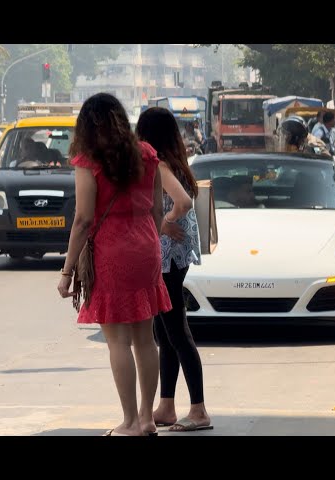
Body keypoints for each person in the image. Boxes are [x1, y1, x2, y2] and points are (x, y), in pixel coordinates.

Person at [57, 93, 172, 437]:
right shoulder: (147, 154)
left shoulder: (89, 161)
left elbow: (82, 220)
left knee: (118, 342)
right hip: (146, 245)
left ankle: (129, 422)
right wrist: (150, 244)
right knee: (145, 339)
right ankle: (147, 418)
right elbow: (155, 208)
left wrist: (67, 273)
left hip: (112, 250)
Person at [135, 107, 213, 433]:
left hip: (168, 256)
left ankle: (199, 410)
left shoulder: (161, 166)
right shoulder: (176, 162)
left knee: (177, 332)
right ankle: (166, 406)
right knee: (165, 334)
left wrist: (163, 225)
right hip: (174, 256)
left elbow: (181, 203)